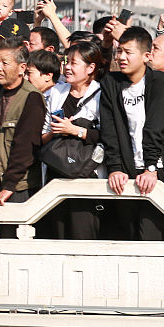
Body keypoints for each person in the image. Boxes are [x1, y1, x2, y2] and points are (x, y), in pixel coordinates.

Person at [98, 27, 164, 240]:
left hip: (155, 170)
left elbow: (155, 128)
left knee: (151, 235)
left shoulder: (158, 81)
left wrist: (151, 167)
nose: (121, 57)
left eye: (128, 52)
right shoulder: (111, 83)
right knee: (126, 235)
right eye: (119, 51)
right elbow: (109, 130)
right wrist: (115, 168)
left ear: (146, 56)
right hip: (125, 170)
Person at [40, 40, 105, 239]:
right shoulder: (56, 92)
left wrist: (75, 130)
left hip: (87, 173)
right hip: (56, 171)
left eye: (74, 63)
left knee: (83, 233)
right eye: (66, 62)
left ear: (91, 68)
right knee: (57, 234)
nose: (67, 67)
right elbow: (43, 135)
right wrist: (56, 131)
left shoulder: (102, 94)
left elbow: (108, 136)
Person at [0, 40, 46, 215]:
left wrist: (9, 186)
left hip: (16, 187)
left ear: (22, 68)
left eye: (5, 63)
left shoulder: (31, 97)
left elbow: (26, 145)